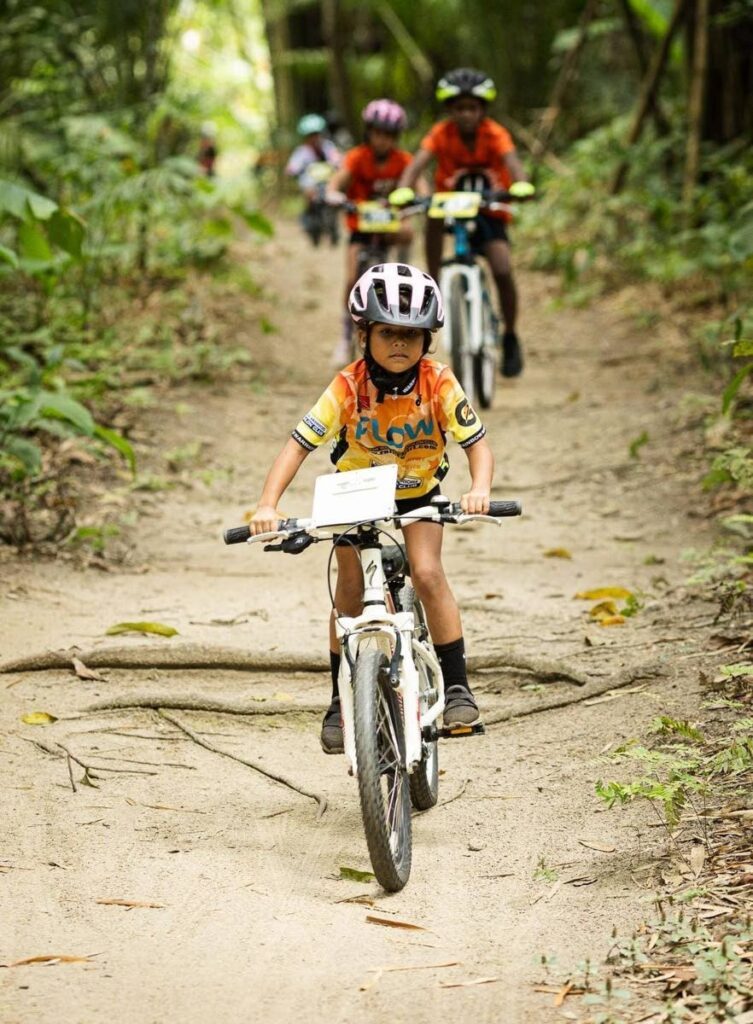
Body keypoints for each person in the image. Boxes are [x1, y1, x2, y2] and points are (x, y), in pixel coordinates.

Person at [247, 263, 494, 754]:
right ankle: (340, 703)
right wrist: (266, 504)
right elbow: (298, 446)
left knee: (427, 572)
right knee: (350, 590)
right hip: (355, 493)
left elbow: (477, 446)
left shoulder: (439, 382)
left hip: (418, 491)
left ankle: (458, 683)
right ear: (364, 334)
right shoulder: (347, 386)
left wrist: (479, 488)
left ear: (428, 339)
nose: (399, 344)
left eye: (411, 334)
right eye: (387, 333)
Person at [398, 68, 530, 378]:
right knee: (430, 211)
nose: (466, 114)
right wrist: (405, 186)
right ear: (450, 110)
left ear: (483, 110)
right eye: (459, 108)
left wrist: (521, 184)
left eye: (472, 108)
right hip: (450, 208)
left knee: (501, 268)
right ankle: (433, 283)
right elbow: (418, 163)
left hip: (488, 211)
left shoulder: (495, 134)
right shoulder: (441, 134)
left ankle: (510, 335)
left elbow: (513, 163)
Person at [325, 100, 415, 367]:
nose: (383, 140)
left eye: (389, 134)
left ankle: (404, 273)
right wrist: (333, 194)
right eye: (378, 132)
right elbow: (338, 180)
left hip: (390, 226)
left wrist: (418, 198)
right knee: (353, 277)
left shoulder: (403, 160)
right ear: (369, 132)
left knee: (408, 233)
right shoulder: (356, 157)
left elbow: (419, 184)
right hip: (361, 228)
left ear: (396, 137)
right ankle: (344, 336)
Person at [285, 114, 342, 239]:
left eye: (316, 134)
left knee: (335, 196)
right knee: (309, 194)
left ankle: (334, 226)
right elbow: (292, 166)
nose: (314, 138)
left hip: (327, 180)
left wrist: (337, 163)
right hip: (310, 183)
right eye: (311, 135)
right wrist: (292, 170)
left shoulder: (327, 146)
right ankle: (309, 218)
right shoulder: (302, 151)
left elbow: (336, 158)